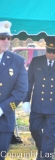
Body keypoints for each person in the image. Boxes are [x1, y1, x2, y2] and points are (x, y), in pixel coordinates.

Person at [22, 36, 55, 160]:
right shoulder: (36, 61)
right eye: (49, 52)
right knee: (34, 129)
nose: (51, 55)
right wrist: (26, 99)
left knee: (49, 134)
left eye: (54, 52)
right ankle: (43, 151)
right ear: (45, 50)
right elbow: (29, 82)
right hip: (38, 105)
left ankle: (45, 157)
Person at [0, 21, 28, 160]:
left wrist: (2, 109)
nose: (6, 41)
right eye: (2, 37)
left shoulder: (17, 61)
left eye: (9, 38)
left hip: (4, 121)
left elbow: (21, 90)